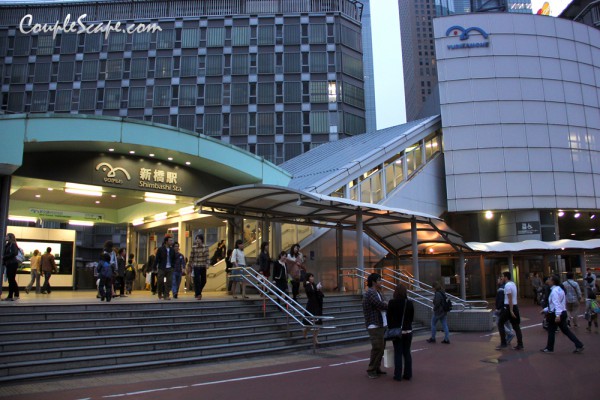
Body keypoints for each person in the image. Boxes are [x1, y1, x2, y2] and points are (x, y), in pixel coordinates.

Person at [540, 275, 584, 353]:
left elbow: (556, 304)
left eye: (550, 279)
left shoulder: (554, 291)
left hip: (555, 313)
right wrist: (546, 309)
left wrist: (557, 315)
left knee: (551, 331)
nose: (548, 280)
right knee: (565, 330)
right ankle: (579, 344)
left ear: (553, 282)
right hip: (562, 312)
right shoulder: (560, 289)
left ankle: (549, 348)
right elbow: (560, 303)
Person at [362, 273, 388, 379]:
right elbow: (380, 304)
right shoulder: (371, 293)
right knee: (377, 348)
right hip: (375, 324)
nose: (381, 282)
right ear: (373, 282)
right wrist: (387, 304)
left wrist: (385, 304)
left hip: (381, 323)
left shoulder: (377, 292)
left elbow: (382, 304)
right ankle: (371, 369)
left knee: (381, 348)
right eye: (379, 280)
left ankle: (376, 367)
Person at [387, 284, 414, 382]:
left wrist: (391, 328)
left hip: (397, 331)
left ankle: (397, 375)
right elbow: (411, 317)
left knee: (398, 352)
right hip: (408, 330)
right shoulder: (409, 303)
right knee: (407, 352)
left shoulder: (392, 303)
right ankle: (408, 374)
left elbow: (389, 317)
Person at [496, 272, 524, 350]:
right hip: (515, 306)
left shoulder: (507, 286)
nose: (502, 278)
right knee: (516, 326)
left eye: (503, 276)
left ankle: (503, 343)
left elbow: (509, 298)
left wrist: (511, 310)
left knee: (500, 323)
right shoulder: (513, 284)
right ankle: (520, 344)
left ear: (506, 277)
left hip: (508, 307)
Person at [302, 272, 324, 344]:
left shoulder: (314, 285)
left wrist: (318, 289)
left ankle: (315, 338)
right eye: (310, 277)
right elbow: (310, 292)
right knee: (310, 323)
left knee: (318, 323)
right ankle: (305, 331)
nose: (312, 278)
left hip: (317, 305)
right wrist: (316, 289)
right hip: (311, 306)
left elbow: (318, 294)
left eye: (313, 277)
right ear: (308, 278)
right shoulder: (307, 285)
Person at [187, 234, 209, 301]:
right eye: (196, 239)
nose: (197, 240)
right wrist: (189, 265)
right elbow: (191, 257)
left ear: (201, 240)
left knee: (204, 280)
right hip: (196, 266)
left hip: (203, 266)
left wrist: (207, 264)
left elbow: (207, 257)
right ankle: (199, 294)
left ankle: (198, 292)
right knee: (197, 280)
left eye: (198, 239)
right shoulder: (194, 248)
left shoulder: (205, 247)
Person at [154, 234, 175, 300]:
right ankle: (160, 293)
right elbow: (157, 259)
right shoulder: (160, 249)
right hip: (162, 268)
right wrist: (154, 267)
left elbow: (174, 258)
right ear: (166, 241)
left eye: (172, 240)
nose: (172, 242)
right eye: (170, 240)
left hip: (170, 268)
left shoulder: (172, 250)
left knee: (169, 281)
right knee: (160, 281)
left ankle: (166, 295)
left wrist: (173, 266)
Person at [495, 276, 514, 345]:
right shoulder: (506, 287)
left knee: (499, 322)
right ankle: (509, 335)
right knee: (507, 322)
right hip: (507, 307)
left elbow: (500, 300)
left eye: (498, 279)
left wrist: (498, 308)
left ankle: (509, 334)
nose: (497, 281)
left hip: (502, 308)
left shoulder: (501, 289)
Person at [2, 233, 20, 301]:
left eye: (7, 236)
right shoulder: (8, 244)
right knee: (11, 279)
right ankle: (15, 294)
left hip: (12, 264)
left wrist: (4, 257)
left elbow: (14, 253)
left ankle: (11, 296)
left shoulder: (12, 244)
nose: (5, 237)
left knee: (11, 280)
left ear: (10, 237)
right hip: (10, 263)